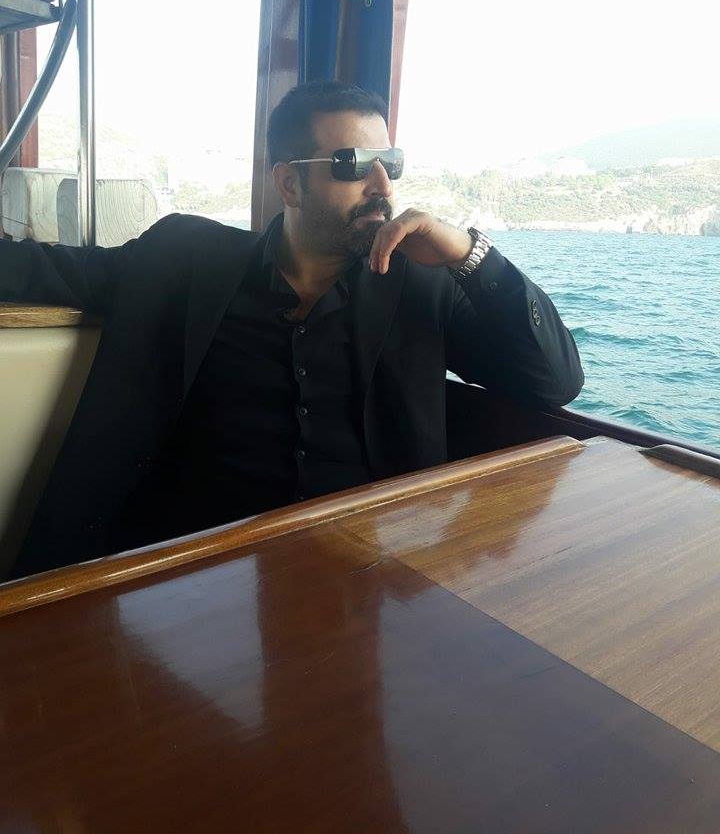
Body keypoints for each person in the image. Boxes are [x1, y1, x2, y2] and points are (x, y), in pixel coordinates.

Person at [0, 81, 583, 579]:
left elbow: (553, 382)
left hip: (370, 570)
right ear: (289, 184)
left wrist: (468, 254)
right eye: (353, 165)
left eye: (391, 164)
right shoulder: (186, 259)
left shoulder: (422, 284)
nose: (383, 186)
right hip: (192, 570)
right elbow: (45, 269)